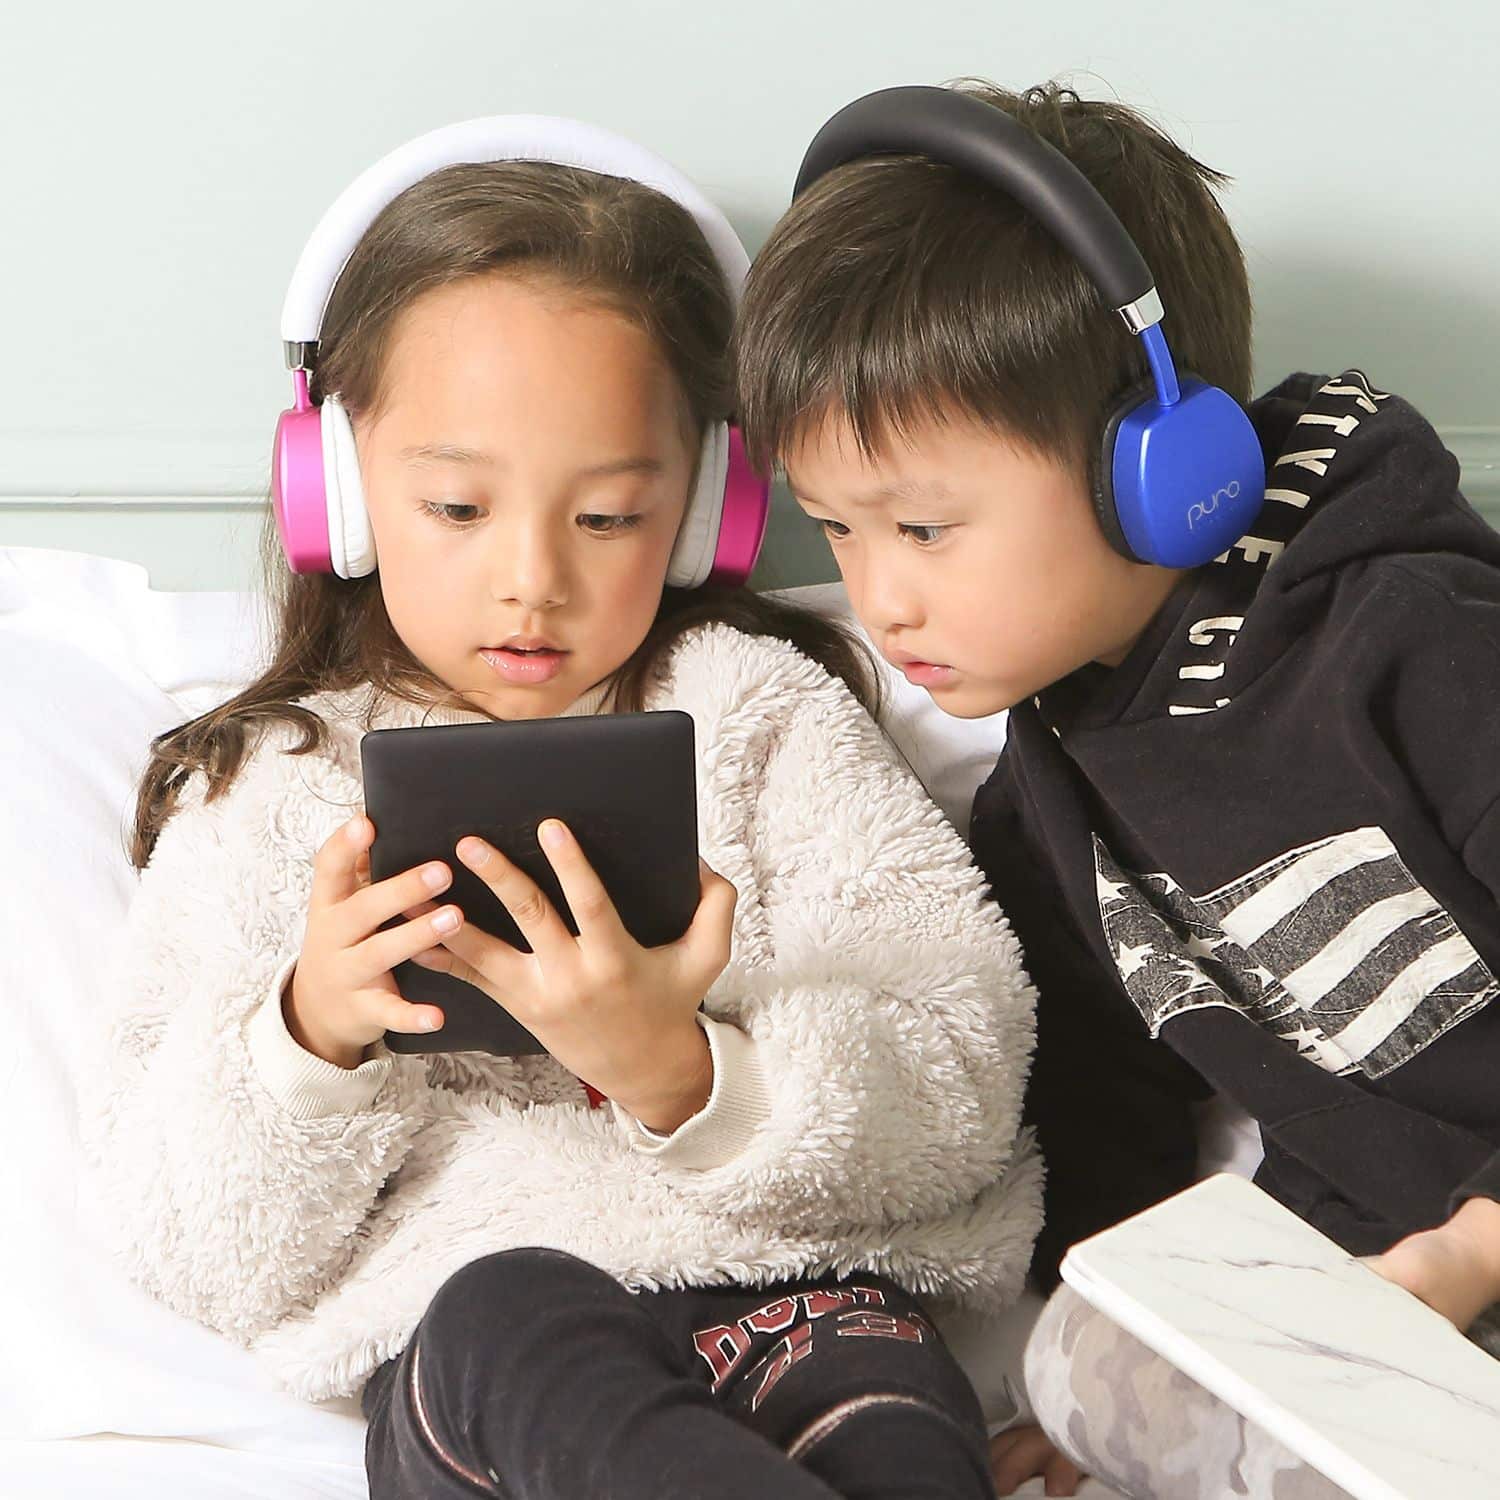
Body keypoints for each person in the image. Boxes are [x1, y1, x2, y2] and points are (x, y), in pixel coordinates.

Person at [82, 118, 1045, 1500]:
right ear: (337, 490)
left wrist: (683, 1072)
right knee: (510, 1316)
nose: (532, 578)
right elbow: (184, 1238)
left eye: (606, 519)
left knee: (880, 1409)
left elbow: (961, 1071)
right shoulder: (271, 788)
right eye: (456, 507)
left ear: (706, 508)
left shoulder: (766, 719)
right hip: (494, 1324)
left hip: (806, 1293)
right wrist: (310, 1034)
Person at [734, 78, 1500, 1498]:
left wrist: (1472, 1248)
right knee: (1076, 1357)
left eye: (925, 527)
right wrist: (1143, 1344)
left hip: (1474, 1241)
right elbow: (1104, 1105)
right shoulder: (1047, 796)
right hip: (1393, 1273)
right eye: (837, 528)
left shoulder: (1419, 652)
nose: (880, 597)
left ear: (1162, 475)